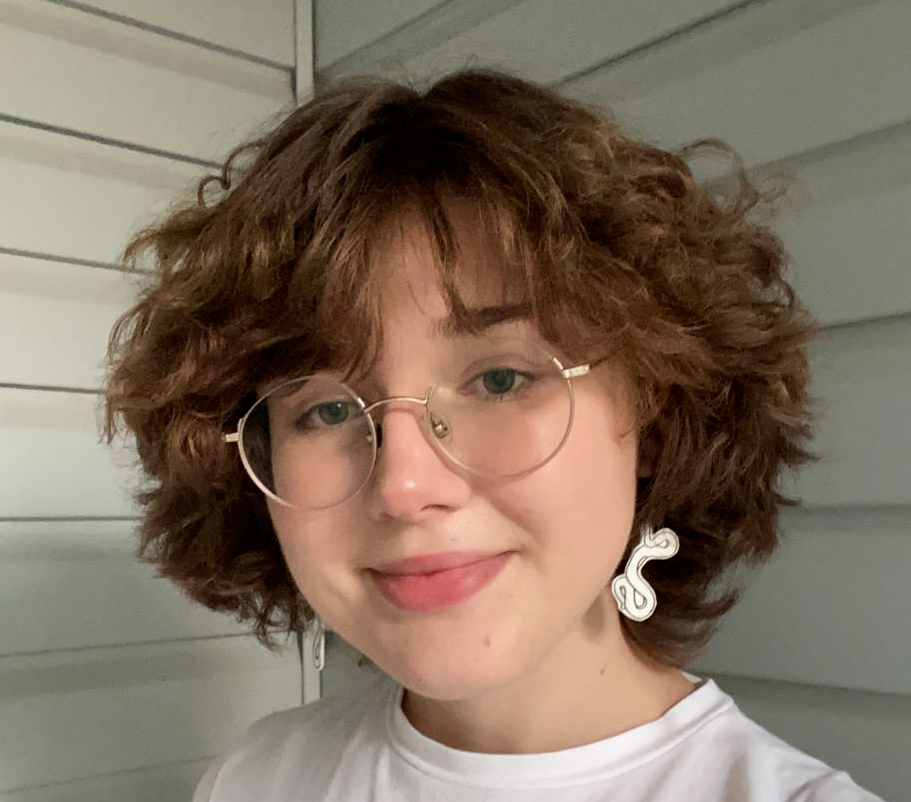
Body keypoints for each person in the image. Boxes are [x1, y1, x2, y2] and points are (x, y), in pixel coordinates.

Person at [104, 70, 884, 801]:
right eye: (328, 410)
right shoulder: (258, 778)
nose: (405, 486)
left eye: (500, 380)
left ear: (653, 415)